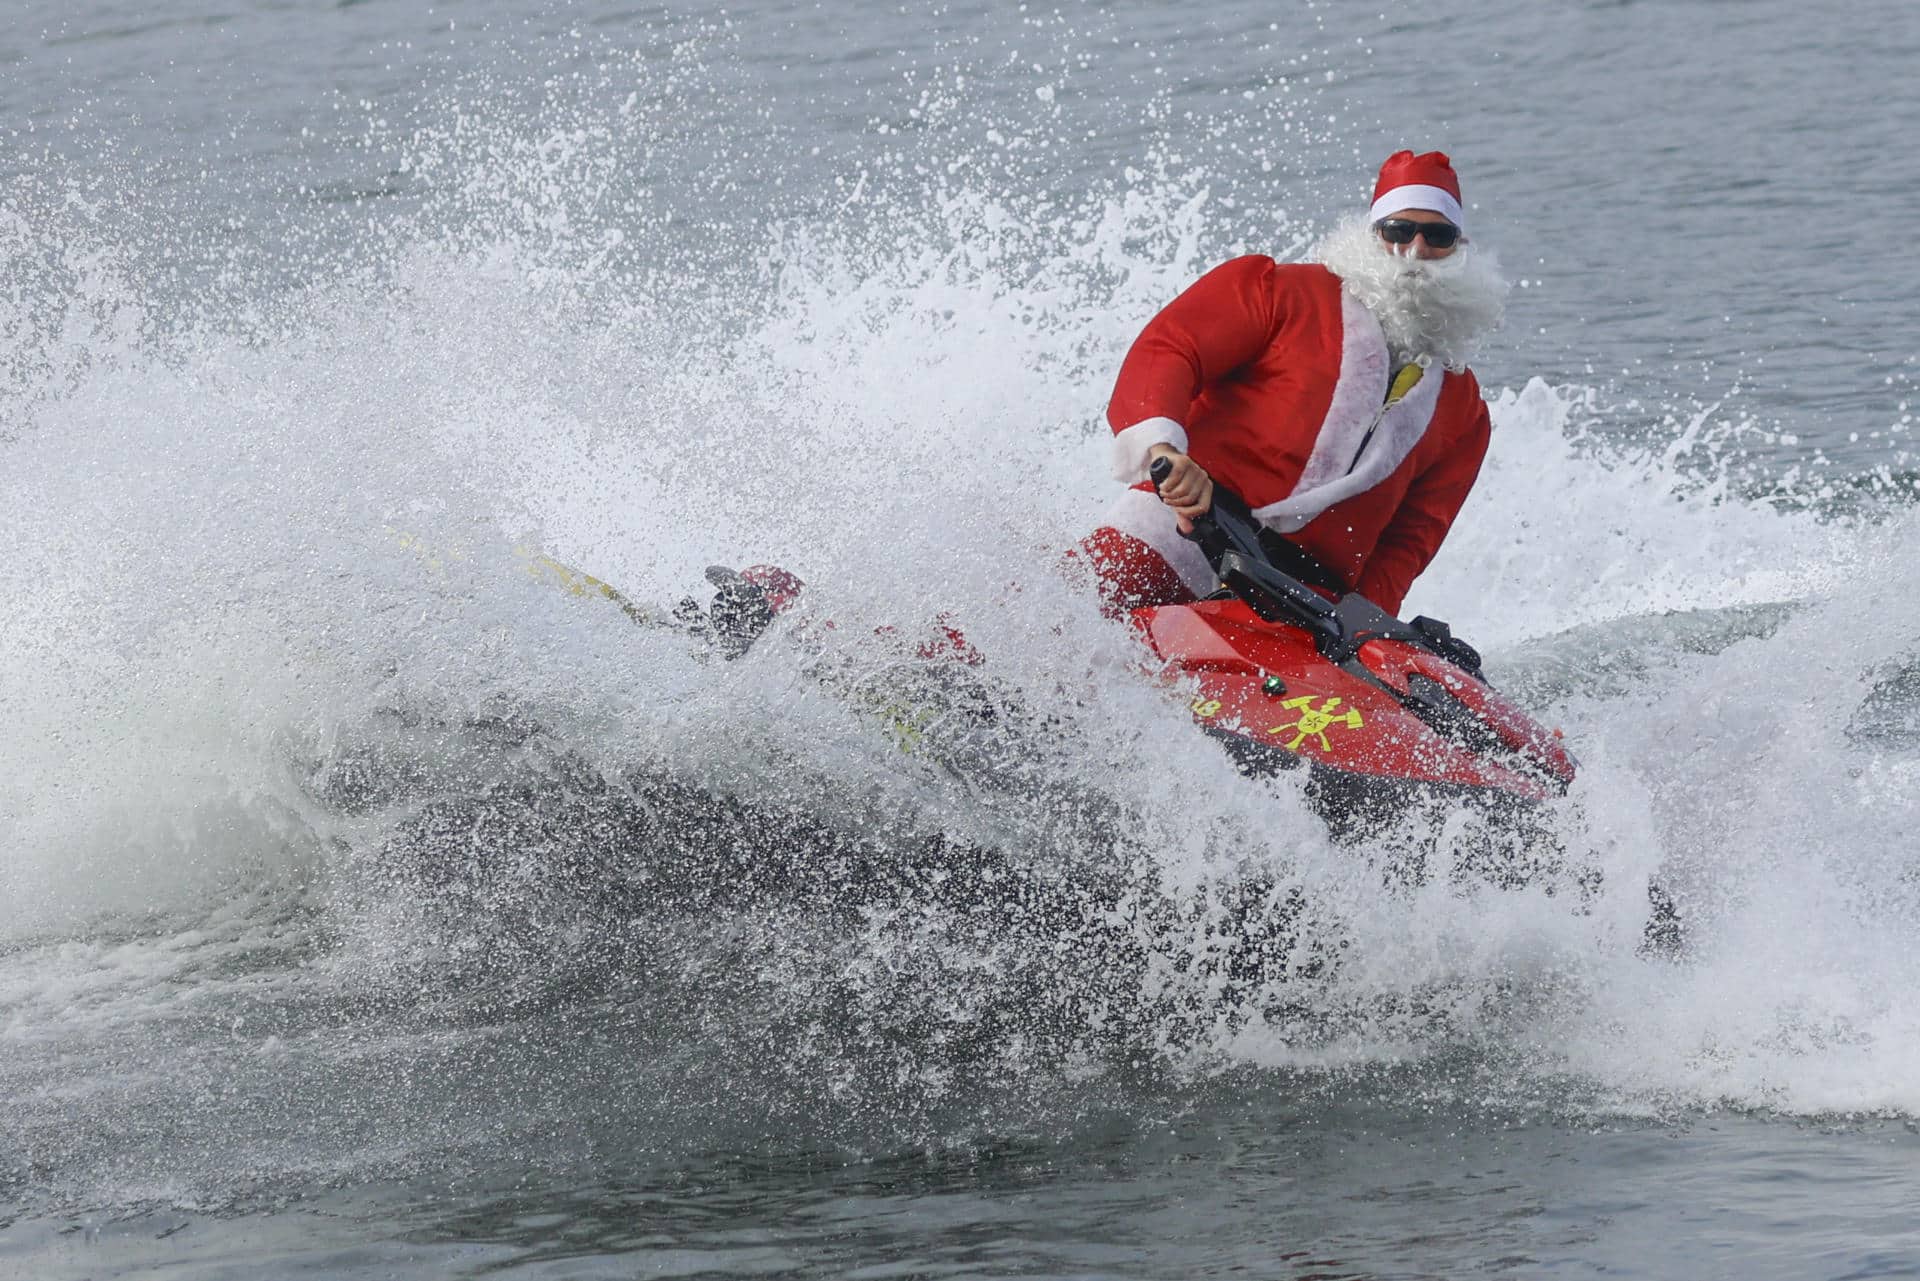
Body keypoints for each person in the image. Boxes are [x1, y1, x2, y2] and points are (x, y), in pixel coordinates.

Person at [1079, 149, 1511, 618]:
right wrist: (1165, 455)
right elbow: (1168, 351)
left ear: (1459, 247)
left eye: (1439, 235)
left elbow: (1404, 547)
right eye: (1400, 230)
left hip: (1301, 604)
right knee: (1062, 615)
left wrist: (1363, 627)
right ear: (1371, 234)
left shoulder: (1465, 416)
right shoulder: (1278, 292)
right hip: (1180, 528)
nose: (1417, 250)